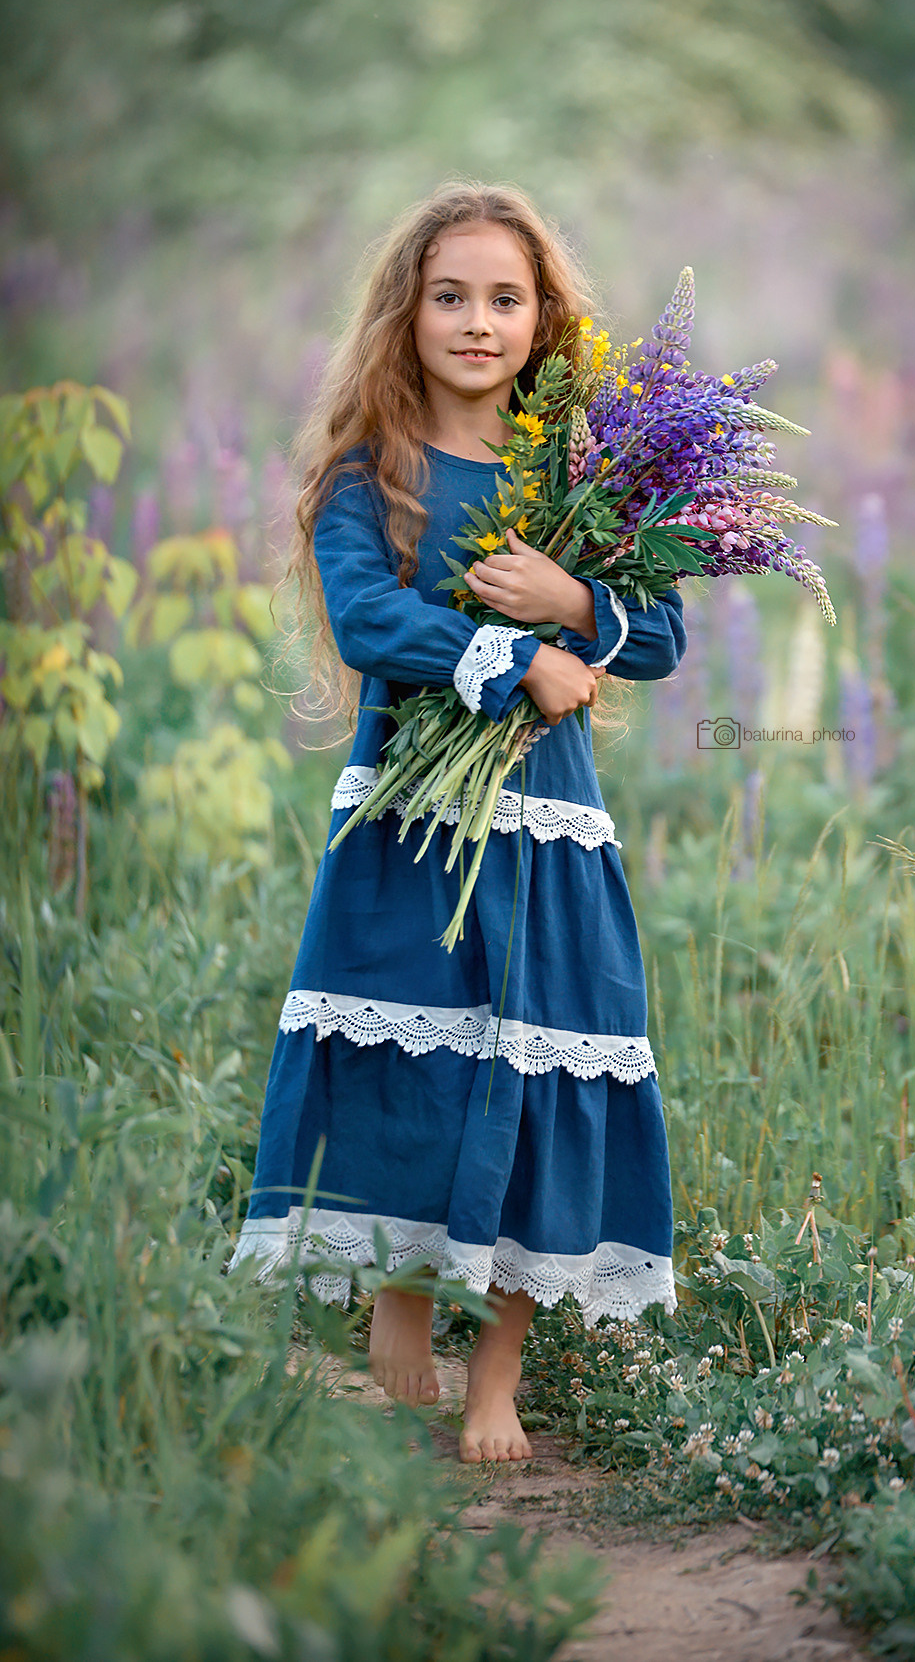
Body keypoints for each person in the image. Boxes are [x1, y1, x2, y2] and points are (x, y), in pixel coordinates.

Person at [229, 181, 686, 1463]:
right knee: (409, 1061)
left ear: (545, 320)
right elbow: (372, 622)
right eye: (450, 296)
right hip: (411, 823)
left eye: (505, 297)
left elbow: (658, 634)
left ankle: (499, 1377)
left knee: (549, 1064)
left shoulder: (584, 470)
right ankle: (400, 1292)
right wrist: (511, 652)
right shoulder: (368, 470)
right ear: (406, 311)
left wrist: (572, 599)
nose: (477, 322)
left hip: (549, 828)